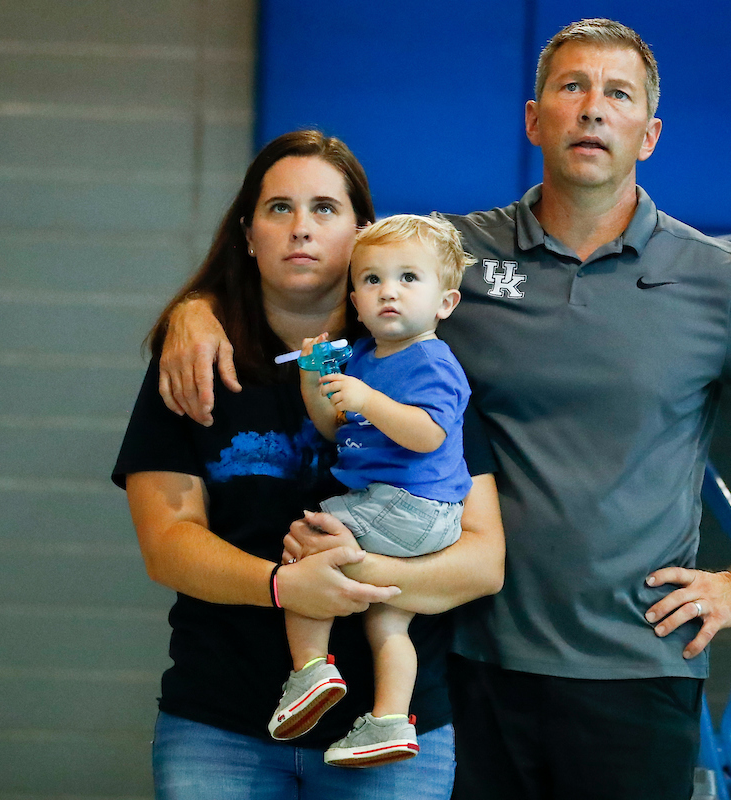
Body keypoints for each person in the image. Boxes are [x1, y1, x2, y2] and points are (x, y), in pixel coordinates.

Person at [152, 19, 731, 800]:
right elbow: (312, 258)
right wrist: (194, 310)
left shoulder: (717, 282)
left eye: (618, 94)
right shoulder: (449, 255)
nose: (593, 109)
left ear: (650, 134)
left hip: (634, 673)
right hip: (469, 668)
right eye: (571, 87)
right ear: (535, 120)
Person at [113, 130, 504, 799]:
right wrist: (283, 586)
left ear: (359, 234)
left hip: (395, 744)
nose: (301, 228)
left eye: (325, 209)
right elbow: (168, 545)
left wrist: (356, 579)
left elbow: (483, 561)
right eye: (279, 209)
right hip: (222, 725)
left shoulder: (424, 360)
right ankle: (307, 671)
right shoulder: (192, 361)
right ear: (247, 233)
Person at [270, 215, 477, 767]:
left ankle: (310, 669)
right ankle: (388, 720)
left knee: (305, 544)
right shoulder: (362, 358)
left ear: (445, 302)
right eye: (371, 280)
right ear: (355, 301)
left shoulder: (433, 361)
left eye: (409, 278)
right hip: (400, 510)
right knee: (388, 621)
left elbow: (427, 433)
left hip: (411, 504)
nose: (389, 291)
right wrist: (315, 383)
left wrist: (366, 399)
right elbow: (334, 428)